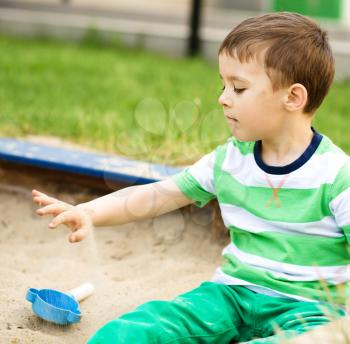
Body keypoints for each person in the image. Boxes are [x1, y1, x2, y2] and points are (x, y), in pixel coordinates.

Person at [32, 12, 350, 344]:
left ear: (293, 98)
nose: (223, 97)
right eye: (223, 84)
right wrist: (90, 212)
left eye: (239, 87)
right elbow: (159, 195)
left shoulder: (337, 178)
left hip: (312, 312)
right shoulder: (228, 160)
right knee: (132, 331)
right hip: (230, 297)